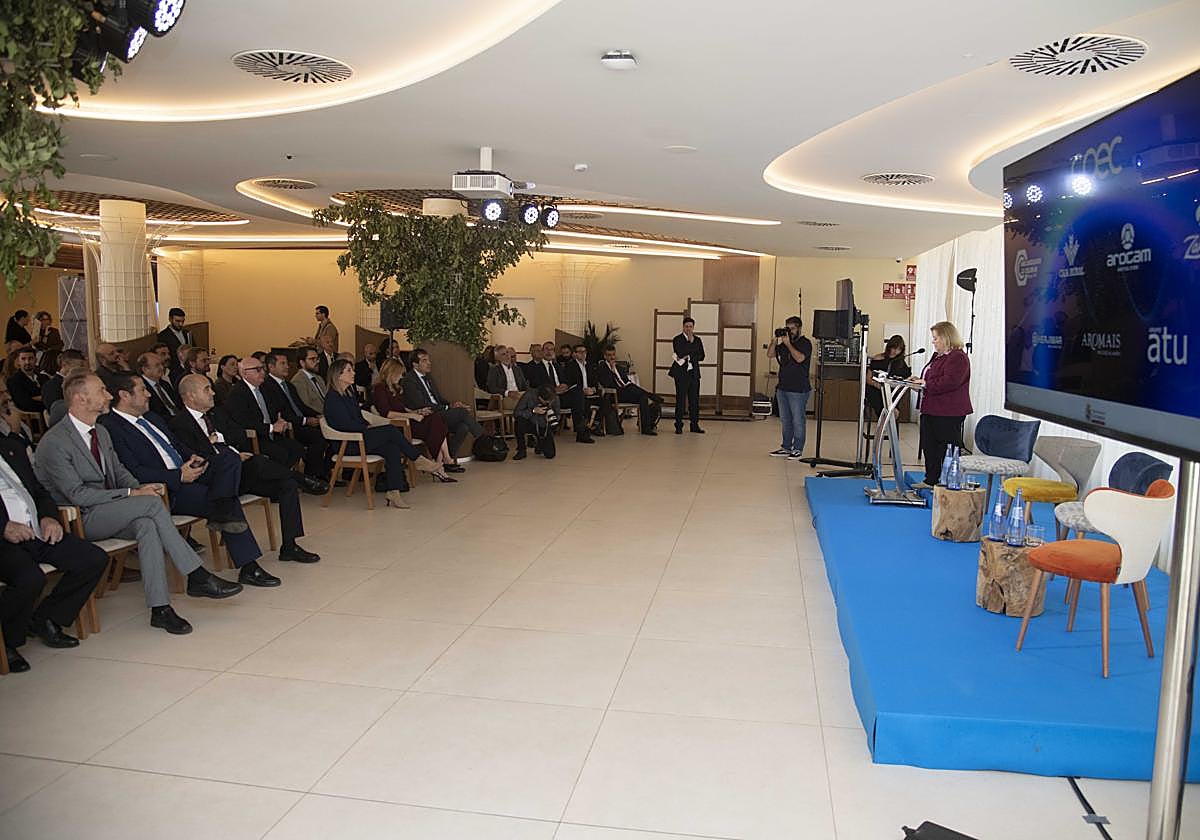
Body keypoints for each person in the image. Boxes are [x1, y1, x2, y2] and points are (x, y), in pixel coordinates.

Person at [34, 371, 243, 635]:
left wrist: (138, 487)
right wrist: (133, 495)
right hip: (80, 516)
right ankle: (197, 575)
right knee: (151, 505)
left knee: (147, 524)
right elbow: (77, 495)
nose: (109, 395)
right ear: (79, 398)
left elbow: (119, 471)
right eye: (101, 391)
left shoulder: (100, 431)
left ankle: (160, 609)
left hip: (110, 509)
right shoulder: (55, 442)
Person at [99, 372, 280, 588]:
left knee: (228, 458)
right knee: (225, 500)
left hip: (189, 471)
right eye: (142, 390)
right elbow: (131, 472)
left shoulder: (153, 418)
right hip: (166, 488)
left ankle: (222, 509)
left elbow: (177, 445)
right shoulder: (110, 427)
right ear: (124, 395)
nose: (149, 394)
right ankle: (248, 566)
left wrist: (193, 457)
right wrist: (178, 476)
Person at [0, 403, 107, 673]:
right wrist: (3, 527)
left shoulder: (11, 446)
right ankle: (8, 640)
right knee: (30, 578)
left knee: (92, 558)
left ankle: (46, 618)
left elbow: (38, 490)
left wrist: (49, 517)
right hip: (3, 539)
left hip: (35, 529)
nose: (10, 410)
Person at [170, 374, 319, 564]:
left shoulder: (217, 414)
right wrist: (222, 449)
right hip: (215, 480)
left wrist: (223, 442)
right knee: (255, 462)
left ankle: (290, 546)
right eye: (207, 389)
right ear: (190, 396)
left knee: (286, 485)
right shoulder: (179, 424)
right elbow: (193, 457)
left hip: (239, 472)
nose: (213, 393)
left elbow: (239, 436)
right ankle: (301, 479)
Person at [324, 358, 447, 509]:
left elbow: (358, 417)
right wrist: (367, 428)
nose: (353, 373)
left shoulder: (348, 394)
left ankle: (393, 492)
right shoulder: (333, 398)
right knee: (390, 430)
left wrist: (366, 426)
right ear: (338, 375)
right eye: (349, 370)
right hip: (348, 443)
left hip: (360, 438)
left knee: (392, 448)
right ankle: (417, 459)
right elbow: (345, 425)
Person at [225, 358, 324, 493]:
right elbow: (243, 422)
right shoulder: (237, 393)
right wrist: (271, 427)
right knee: (280, 453)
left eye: (263, 369)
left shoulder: (264, 389)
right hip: (252, 438)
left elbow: (277, 409)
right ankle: (287, 484)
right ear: (244, 373)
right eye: (257, 370)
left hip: (270, 433)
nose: (262, 373)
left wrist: (280, 421)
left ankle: (285, 482)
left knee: (297, 448)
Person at [911, 320, 972, 487]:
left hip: (948, 411)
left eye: (936, 338)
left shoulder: (958, 357)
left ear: (946, 338)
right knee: (929, 446)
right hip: (930, 408)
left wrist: (925, 384)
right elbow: (931, 378)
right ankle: (931, 479)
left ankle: (947, 482)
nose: (933, 341)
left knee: (944, 448)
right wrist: (918, 382)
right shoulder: (937, 357)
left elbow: (950, 382)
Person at [372, 358, 461, 471]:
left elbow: (402, 409)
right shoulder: (379, 389)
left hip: (407, 420)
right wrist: (412, 416)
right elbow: (387, 413)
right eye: (399, 374)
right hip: (398, 426)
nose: (401, 377)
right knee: (435, 423)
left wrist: (416, 412)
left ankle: (440, 462)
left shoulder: (394, 388)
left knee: (435, 418)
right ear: (391, 373)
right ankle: (442, 462)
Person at [403, 348, 485, 460]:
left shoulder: (428, 377)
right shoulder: (409, 380)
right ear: (415, 364)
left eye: (429, 360)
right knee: (462, 412)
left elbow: (439, 399)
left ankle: (449, 458)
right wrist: (447, 407)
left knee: (463, 427)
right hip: (427, 416)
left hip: (439, 412)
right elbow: (421, 404)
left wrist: (452, 404)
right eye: (424, 360)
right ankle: (483, 438)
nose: (429, 363)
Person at [262, 351, 329, 483]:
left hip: (299, 422)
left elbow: (301, 406)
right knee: (318, 437)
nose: (287, 366)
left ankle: (322, 472)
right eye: (282, 363)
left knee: (328, 432)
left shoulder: (289, 385)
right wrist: (305, 421)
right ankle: (311, 476)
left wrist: (318, 415)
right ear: (271, 366)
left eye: (287, 363)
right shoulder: (266, 386)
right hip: (288, 426)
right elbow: (280, 413)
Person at [527, 339, 592, 443]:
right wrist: (553, 390)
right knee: (579, 398)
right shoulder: (536, 367)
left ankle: (580, 432)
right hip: (549, 397)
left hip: (562, 395)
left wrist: (565, 386)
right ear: (542, 351)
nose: (549, 352)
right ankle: (582, 429)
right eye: (546, 349)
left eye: (552, 350)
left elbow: (566, 380)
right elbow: (536, 385)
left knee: (578, 392)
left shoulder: (557, 366)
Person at [770, 316, 813, 459]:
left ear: (799, 328)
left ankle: (798, 448)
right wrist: (775, 340)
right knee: (785, 420)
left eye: (792, 328)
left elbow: (800, 358)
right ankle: (786, 447)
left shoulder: (805, 343)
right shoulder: (783, 344)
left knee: (798, 420)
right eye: (787, 328)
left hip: (798, 389)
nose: (790, 331)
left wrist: (788, 344)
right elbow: (770, 354)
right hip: (782, 388)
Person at [598, 346, 662, 435]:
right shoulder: (602, 368)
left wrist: (615, 370)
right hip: (614, 395)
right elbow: (607, 384)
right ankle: (651, 395)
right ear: (605, 356)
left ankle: (646, 428)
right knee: (633, 389)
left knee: (642, 397)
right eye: (609, 355)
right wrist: (612, 372)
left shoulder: (619, 367)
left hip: (625, 392)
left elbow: (626, 382)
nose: (612, 357)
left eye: (613, 354)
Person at [561, 344, 618, 436]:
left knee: (605, 403)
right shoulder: (570, 366)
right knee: (585, 404)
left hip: (590, 394)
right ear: (575, 354)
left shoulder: (589, 366)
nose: (583, 354)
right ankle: (584, 428)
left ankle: (594, 425)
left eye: (584, 352)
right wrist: (583, 390)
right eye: (580, 352)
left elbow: (594, 381)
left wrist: (593, 389)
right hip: (578, 395)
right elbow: (570, 383)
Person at [670, 316, 705, 434]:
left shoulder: (698, 340)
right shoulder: (677, 339)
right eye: (686, 327)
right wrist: (690, 344)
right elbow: (680, 353)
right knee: (680, 399)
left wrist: (689, 355)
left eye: (691, 327)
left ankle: (694, 424)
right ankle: (678, 425)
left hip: (694, 373)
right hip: (681, 374)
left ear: (693, 327)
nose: (689, 329)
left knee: (694, 400)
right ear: (683, 327)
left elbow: (701, 356)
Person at [865, 334, 911, 420]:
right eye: (894, 348)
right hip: (875, 389)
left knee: (893, 410)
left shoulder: (900, 362)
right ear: (889, 346)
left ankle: (889, 430)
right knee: (884, 409)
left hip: (890, 391)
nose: (896, 351)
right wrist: (877, 385)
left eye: (899, 349)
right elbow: (868, 379)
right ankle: (884, 425)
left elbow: (905, 378)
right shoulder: (877, 358)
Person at [512, 385, 559, 460]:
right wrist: (533, 411)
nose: (548, 403)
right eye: (546, 401)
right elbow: (516, 413)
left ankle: (540, 444)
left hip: (544, 425)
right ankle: (522, 450)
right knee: (519, 421)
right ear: (540, 397)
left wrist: (551, 418)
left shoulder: (554, 397)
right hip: (529, 422)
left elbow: (557, 414)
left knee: (550, 454)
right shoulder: (528, 395)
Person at [135, 352, 182, 419]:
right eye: (157, 365)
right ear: (145, 369)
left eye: (161, 364)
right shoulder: (141, 388)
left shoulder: (165, 384)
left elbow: (178, 404)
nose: (162, 367)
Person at [6, 346, 48, 413]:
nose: (27, 362)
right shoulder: (13, 381)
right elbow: (26, 404)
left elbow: (53, 397)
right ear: (19, 362)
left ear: (36, 360)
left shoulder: (44, 377)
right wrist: (46, 400)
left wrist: (36, 398)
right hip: (35, 418)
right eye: (23, 359)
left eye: (30, 358)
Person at [290, 346, 327, 415]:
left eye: (317, 358)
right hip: (316, 418)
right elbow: (306, 406)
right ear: (302, 362)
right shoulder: (298, 380)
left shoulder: (319, 378)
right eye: (312, 359)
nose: (317, 362)